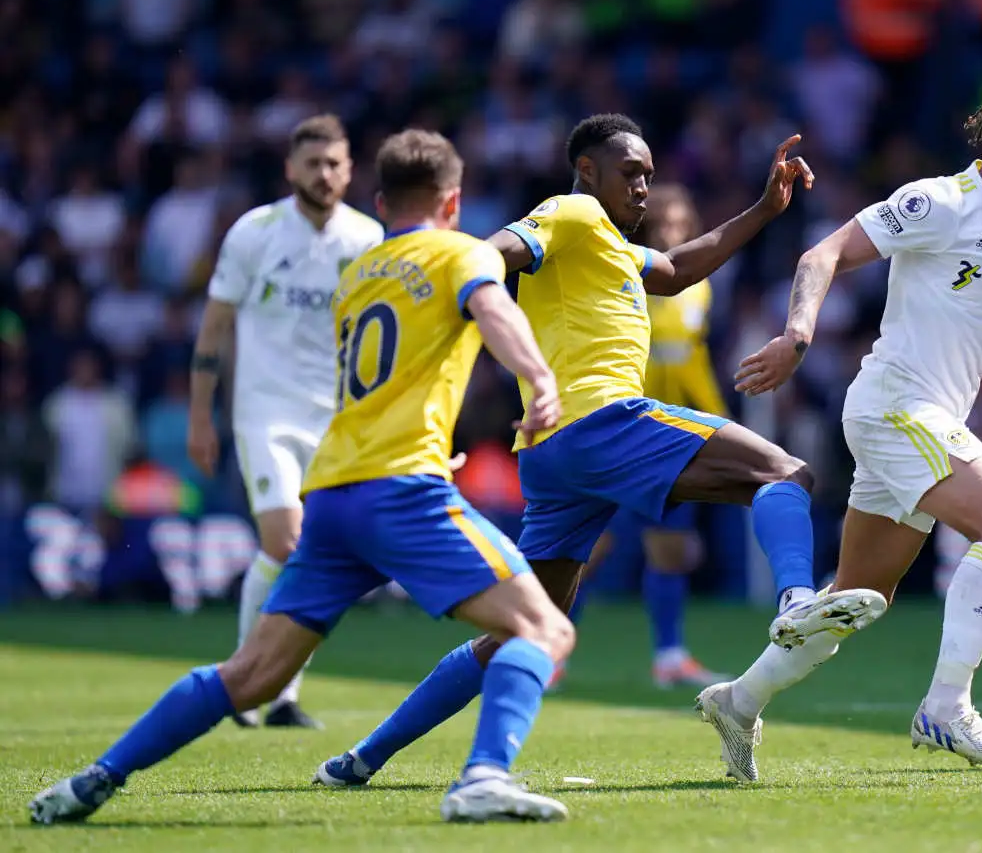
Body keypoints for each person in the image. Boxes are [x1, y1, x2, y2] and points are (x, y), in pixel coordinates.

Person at [311, 114, 883, 789]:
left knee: (522, 631)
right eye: (630, 173)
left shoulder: (606, 244)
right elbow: (492, 253)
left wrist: (764, 207)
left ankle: (361, 759)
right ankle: (794, 602)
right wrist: (446, 280)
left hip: (555, 453)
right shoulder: (572, 213)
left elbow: (674, 268)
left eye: (648, 174)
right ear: (588, 171)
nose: (644, 186)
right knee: (785, 472)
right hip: (600, 421)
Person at [31, 129, 577, 825]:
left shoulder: (358, 276)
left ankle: (94, 779)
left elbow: (372, 384)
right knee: (542, 629)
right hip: (400, 490)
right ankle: (483, 777)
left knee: (252, 676)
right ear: (454, 200)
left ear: (380, 202)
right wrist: (538, 377)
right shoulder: (463, 252)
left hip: (331, 493)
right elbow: (494, 309)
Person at [699, 73, 982, 783]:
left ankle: (739, 701)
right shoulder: (937, 202)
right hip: (896, 406)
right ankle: (946, 707)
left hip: (925, 422)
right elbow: (823, 252)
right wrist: (797, 337)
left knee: (855, 602)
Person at [188, 114, 383, 729]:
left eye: (334, 164)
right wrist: (200, 416)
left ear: (350, 171)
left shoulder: (368, 238)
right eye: (312, 164)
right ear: (289, 169)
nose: (323, 175)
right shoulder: (255, 232)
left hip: (339, 420)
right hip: (265, 413)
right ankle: (250, 682)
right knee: (285, 541)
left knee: (312, 553)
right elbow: (214, 327)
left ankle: (279, 693)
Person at [562, 183, 733, 691]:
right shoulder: (627, 270)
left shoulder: (699, 286)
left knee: (669, 549)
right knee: (589, 551)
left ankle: (670, 656)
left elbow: (693, 359)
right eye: (663, 222)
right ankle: (550, 650)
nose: (672, 230)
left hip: (673, 430)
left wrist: (716, 416)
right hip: (622, 426)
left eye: (681, 222)